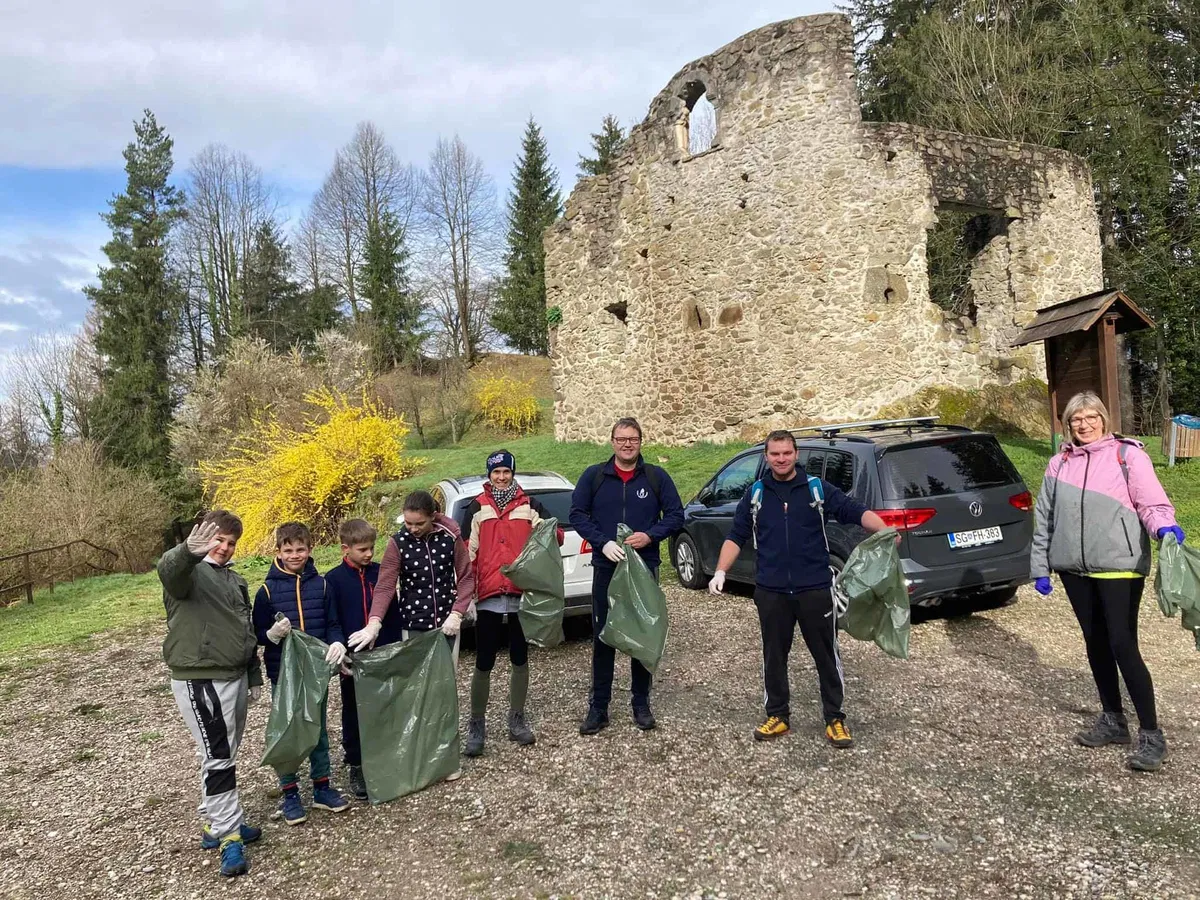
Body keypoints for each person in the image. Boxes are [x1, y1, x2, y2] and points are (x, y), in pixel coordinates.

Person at [1030, 391, 1184, 772]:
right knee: (1095, 643)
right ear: (1068, 424)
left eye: (1090, 417)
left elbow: (1151, 502)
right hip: (1073, 569)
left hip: (1119, 564)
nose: (1084, 425)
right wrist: (1039, 565)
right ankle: (1113, 720)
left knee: (1122, 644)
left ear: (1103, 418)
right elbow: (1044, 517)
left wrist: (1164, 526)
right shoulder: (1058, 463)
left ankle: (1151, 734)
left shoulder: (1128, 456)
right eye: (1076, 419)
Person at [708, 430, 890, 747]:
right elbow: (736, 536)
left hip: (815, 589)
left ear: (796, 454)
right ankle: (777, 715)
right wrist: (721, 571)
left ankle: (835, 719)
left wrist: (885, 530)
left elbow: (855, 511)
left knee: (826, 657)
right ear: (767, 457)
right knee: (774, 657)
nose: (781, 459)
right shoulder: (755, 495)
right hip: (771, 592)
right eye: (775, 454)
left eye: (786, 453)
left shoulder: (817, 490)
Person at [159, 510, 261, 878]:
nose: (224, 547)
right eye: (219, 539)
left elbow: (244, 630)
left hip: (233, 675)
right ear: (204, 538)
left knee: (223, 751)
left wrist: (252, 676)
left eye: (231, 542)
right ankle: (229, 834)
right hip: (200, 677)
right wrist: (188, 551)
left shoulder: (235, 579)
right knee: (219, 756)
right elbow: (169, 570)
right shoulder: (189, 573)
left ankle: (214, 823)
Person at [570, 417, 685, 734]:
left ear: (640, 441)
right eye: (621, 439)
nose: (627, 444)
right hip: (606, 567)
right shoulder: (594, 477)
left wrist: (650, 535)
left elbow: (676, 515)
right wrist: (602, 542)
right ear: (612, 442)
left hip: (643, 567)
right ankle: (599, 708)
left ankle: (641, 703)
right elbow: (577, 514)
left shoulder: (655, 478)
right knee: (604, 636)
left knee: (641, 634)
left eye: (632, 439)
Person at [461, 450, 565, 757]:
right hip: (489, 593)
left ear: (513, 473)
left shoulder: (530, 505)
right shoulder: (477, 507)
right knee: (484, 660)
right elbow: (467, 551)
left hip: (522, 592)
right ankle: (476, 724)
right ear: (489, 475)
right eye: (496, 472)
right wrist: (465, 594)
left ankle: (517, 718)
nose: (502, 477)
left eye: (506, 472)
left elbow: (554, 536)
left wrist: (547, 533)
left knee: (520, 657)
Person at [252, 522, 350, 825]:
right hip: (283, 671)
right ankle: (290, 791)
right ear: (278, 552)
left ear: (310, 550)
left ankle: (322, 786)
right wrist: (272, 634)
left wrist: (337, 642)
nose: (295, 555)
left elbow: (333, 622)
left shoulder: (321, 586)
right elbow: (257, 634)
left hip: (316, 671)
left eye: (301, 549)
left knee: (318, 728)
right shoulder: (266, 591)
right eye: (288, 550)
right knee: (289, 728)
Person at [324, 518, 398, 801]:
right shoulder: (333, 579)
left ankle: (383, 756)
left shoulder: (382, 573)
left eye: (372, 548)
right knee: (353, 710)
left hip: (383, 652)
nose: (369, 554)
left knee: (384, 705)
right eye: (363, 549)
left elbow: (393, 613)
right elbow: (333, 620)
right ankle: (356, 762)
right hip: (353, 659)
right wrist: (341, 650)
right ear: (346, 548)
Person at [346, 491, 475, 651]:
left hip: (447, 622)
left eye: (420, 523)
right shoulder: (397, 543)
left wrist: (457, 613)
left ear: (432, 516)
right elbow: (385, 586)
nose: (413, 529)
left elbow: (466, 577)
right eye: (408, 523)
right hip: (413, 623)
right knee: (416, 676)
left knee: (447, 675)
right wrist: (374, 622)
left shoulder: (450, 537)